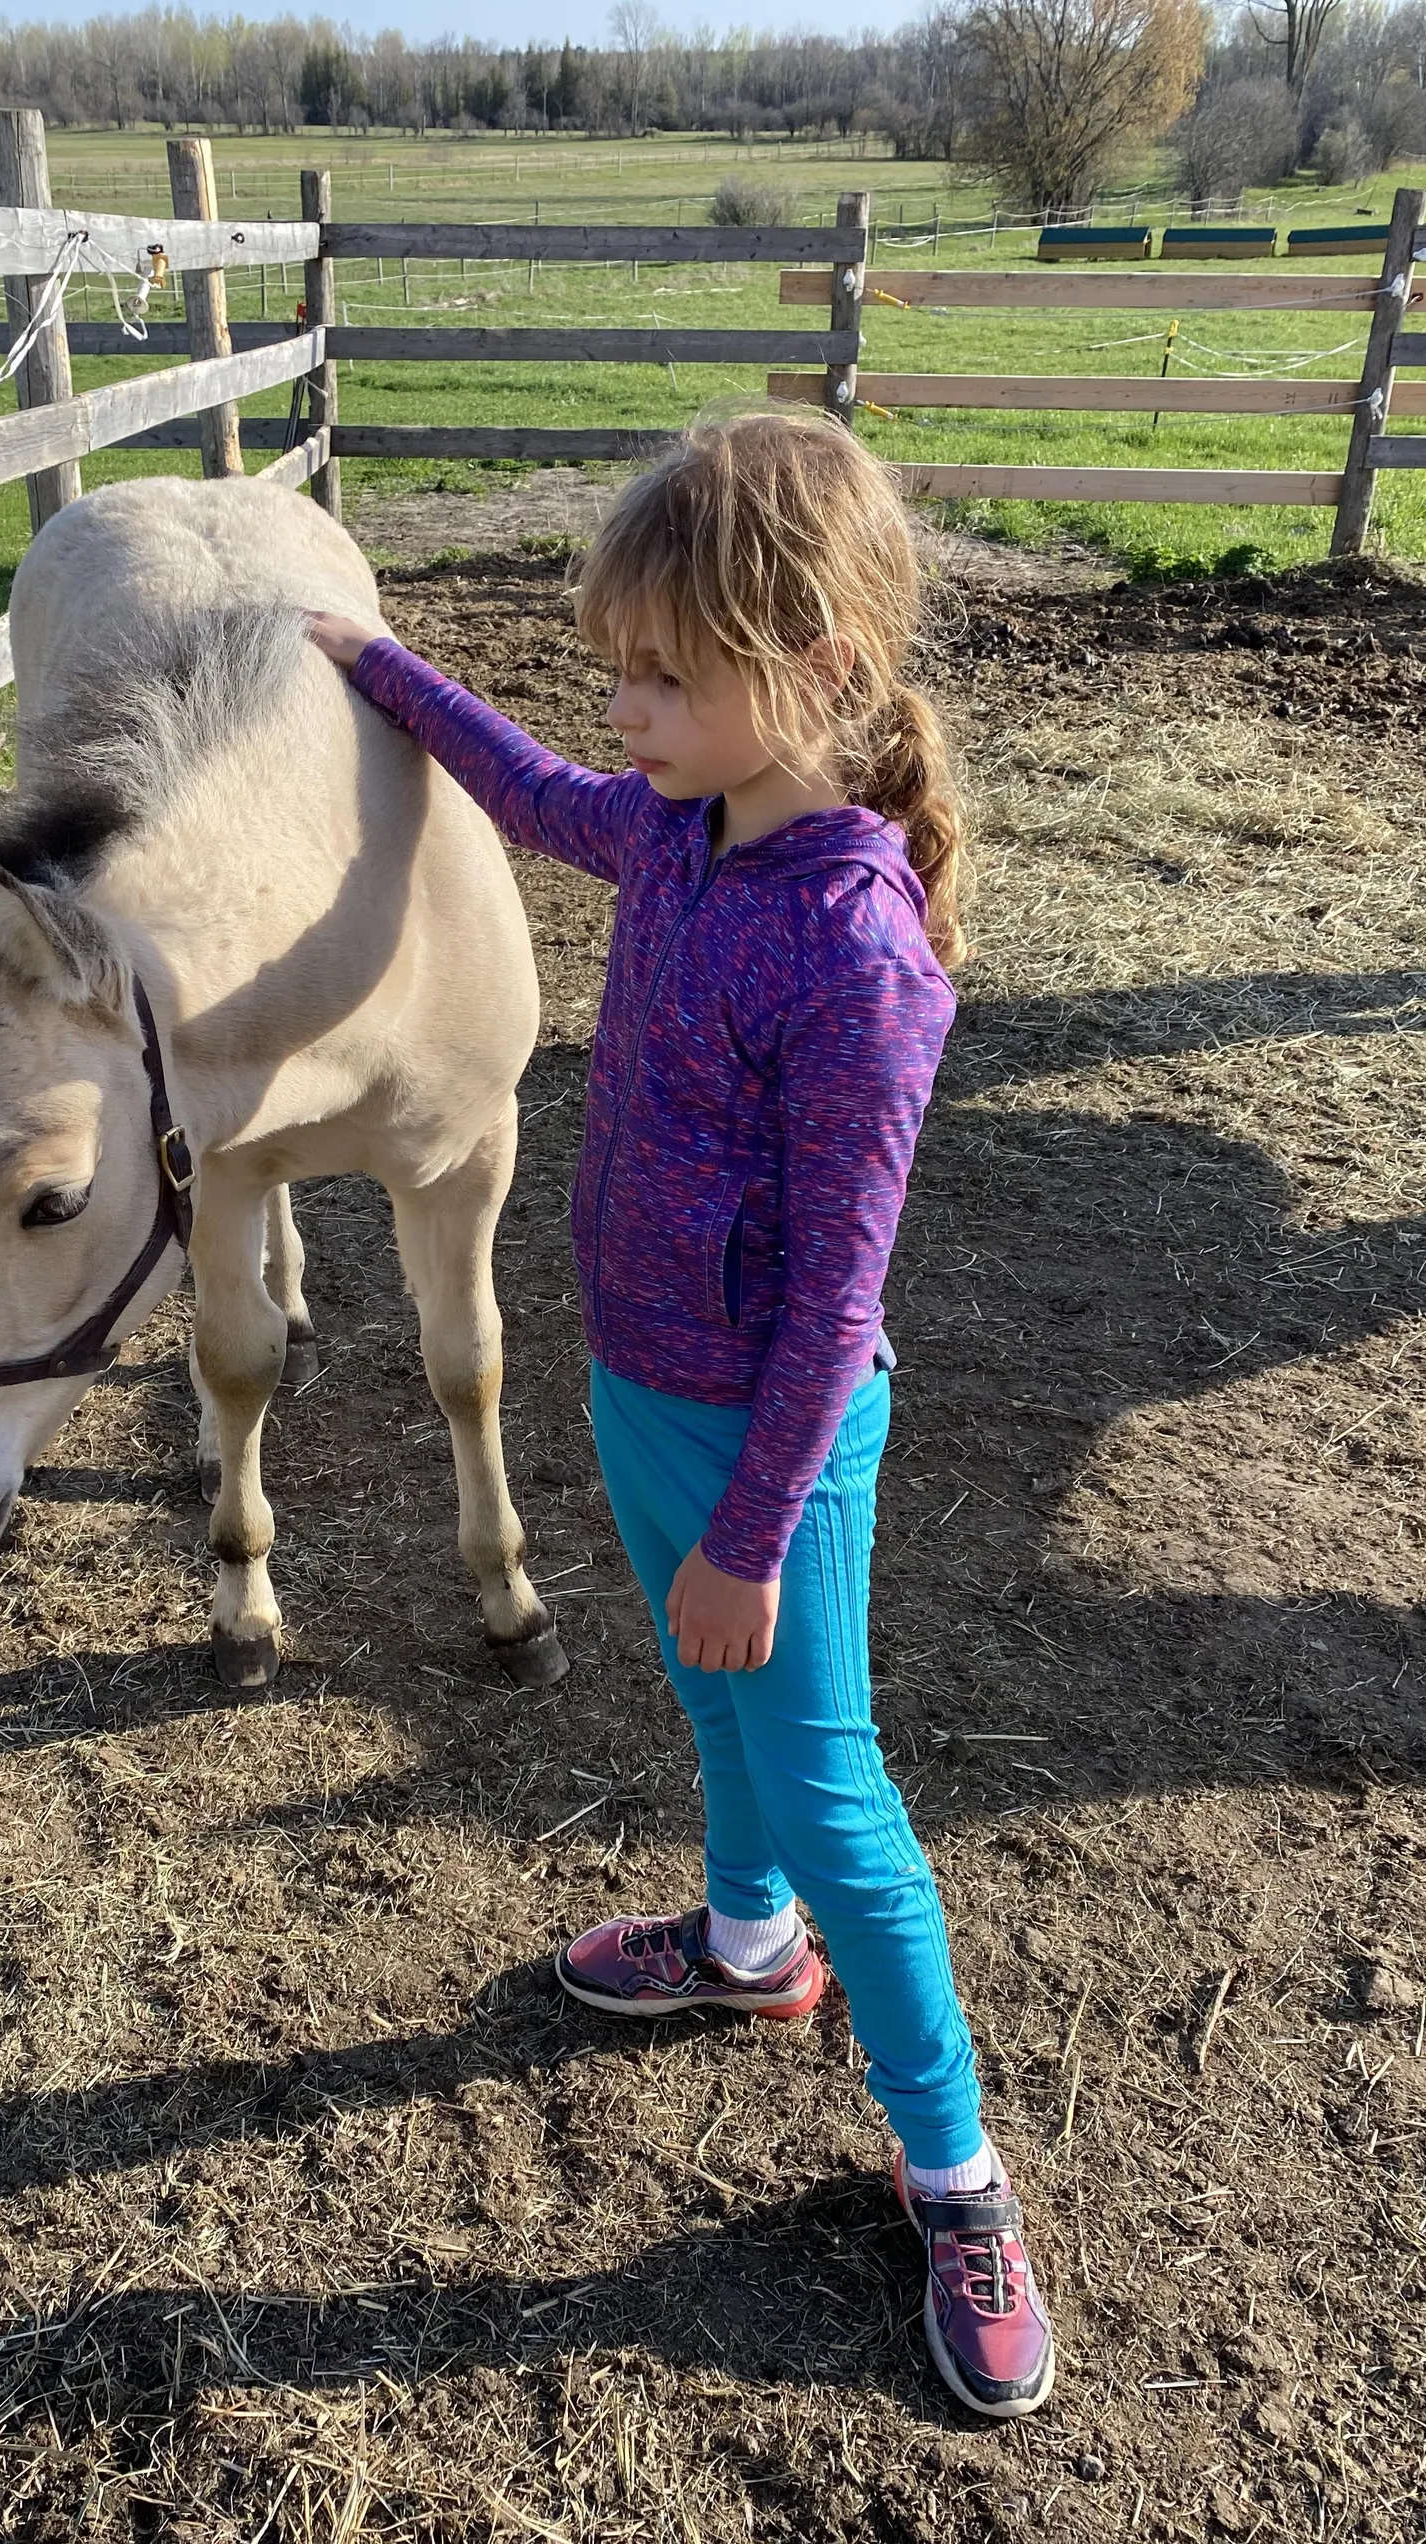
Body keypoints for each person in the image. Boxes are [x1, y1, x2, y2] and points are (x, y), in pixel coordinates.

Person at [306, 409, 1053, 2420]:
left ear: (811, 672)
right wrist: (366, 658)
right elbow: (531, 786)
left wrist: (750, 1530)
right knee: (709, 1710)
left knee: (833, 1790)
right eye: (617, 665)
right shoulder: (672, 823)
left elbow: (833, 1298)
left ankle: (956, 2171)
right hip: (637, 1383)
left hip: (767, 1447)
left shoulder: (858, 957)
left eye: (659, 672)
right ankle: (742, 1950)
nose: (619, 709)